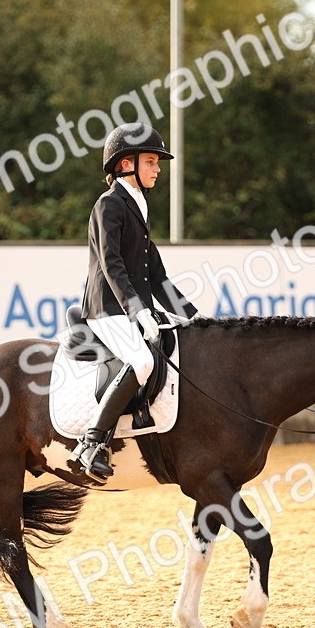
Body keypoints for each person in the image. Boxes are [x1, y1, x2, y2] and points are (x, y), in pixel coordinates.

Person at [70, 123, 200, 481]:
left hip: (132, 309)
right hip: (107, 308)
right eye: (151, 161)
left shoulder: (137, 210)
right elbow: (112, 266)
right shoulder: (108, 205)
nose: (158, 168)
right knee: (142, 360)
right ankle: (91, 443)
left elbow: (158, 276)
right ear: (127, 164)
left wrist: (196, 318)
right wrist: (137, 310)